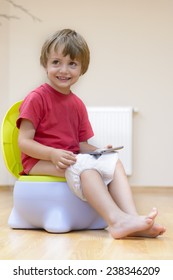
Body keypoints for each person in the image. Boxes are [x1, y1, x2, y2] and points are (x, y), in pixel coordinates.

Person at [17, 28, 166, 239]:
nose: (64, 70)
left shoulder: (77, 104)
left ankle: (133, 219)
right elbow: (23, 142)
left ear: (82, 68)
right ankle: (116, 221)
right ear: (45, 64)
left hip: (71, 158)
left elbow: (80, 144)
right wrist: (52, 154)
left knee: (113, 162)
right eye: (56, 62)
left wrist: (99, 152)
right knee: (87, 169)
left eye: (72, 64)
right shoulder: (36, 98)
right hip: (38, 162)